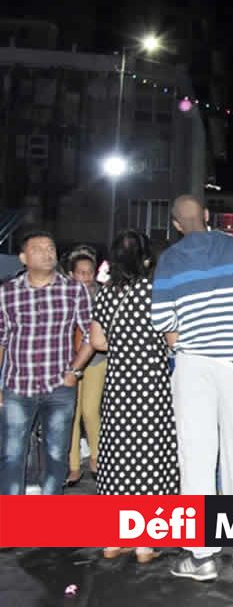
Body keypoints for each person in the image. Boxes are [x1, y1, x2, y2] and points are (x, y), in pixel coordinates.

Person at [151, 195, 233, 581]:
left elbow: (162, 320)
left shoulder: (170, 261)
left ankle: (202, 556)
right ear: (206, 216)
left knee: (198, 455)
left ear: (175, 224)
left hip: (194, 364)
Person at [90, 230, 178, 563]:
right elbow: (173, 339)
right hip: (152, 387)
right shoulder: (155, 292)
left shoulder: (105, 294)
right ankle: (145, 543)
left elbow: (98, 342)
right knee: (151, 459)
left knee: (119, 459)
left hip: (118, 388)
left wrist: (125, 346)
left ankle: (114, 540)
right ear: (145, 260)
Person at [0, 230, 96, 496]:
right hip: (18, 387)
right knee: (11, 456)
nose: (47, 252)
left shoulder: (74, 290)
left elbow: (92, 334)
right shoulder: (7, 293)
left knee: (56, 458)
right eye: (39, 248)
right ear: (23, 257)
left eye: (50, 247)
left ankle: (46, 523)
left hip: (60, 387)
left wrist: (75, 370)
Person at [65, 247, 107, 487]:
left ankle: (96, 458)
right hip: (69, 360)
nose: (86, 276)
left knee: (91, 411)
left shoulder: (102, 295)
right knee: (72, 414)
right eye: (81, 272)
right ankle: (72, 466)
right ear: (72, 274)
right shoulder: (63, 295)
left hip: (97, 360)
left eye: (89, 272)